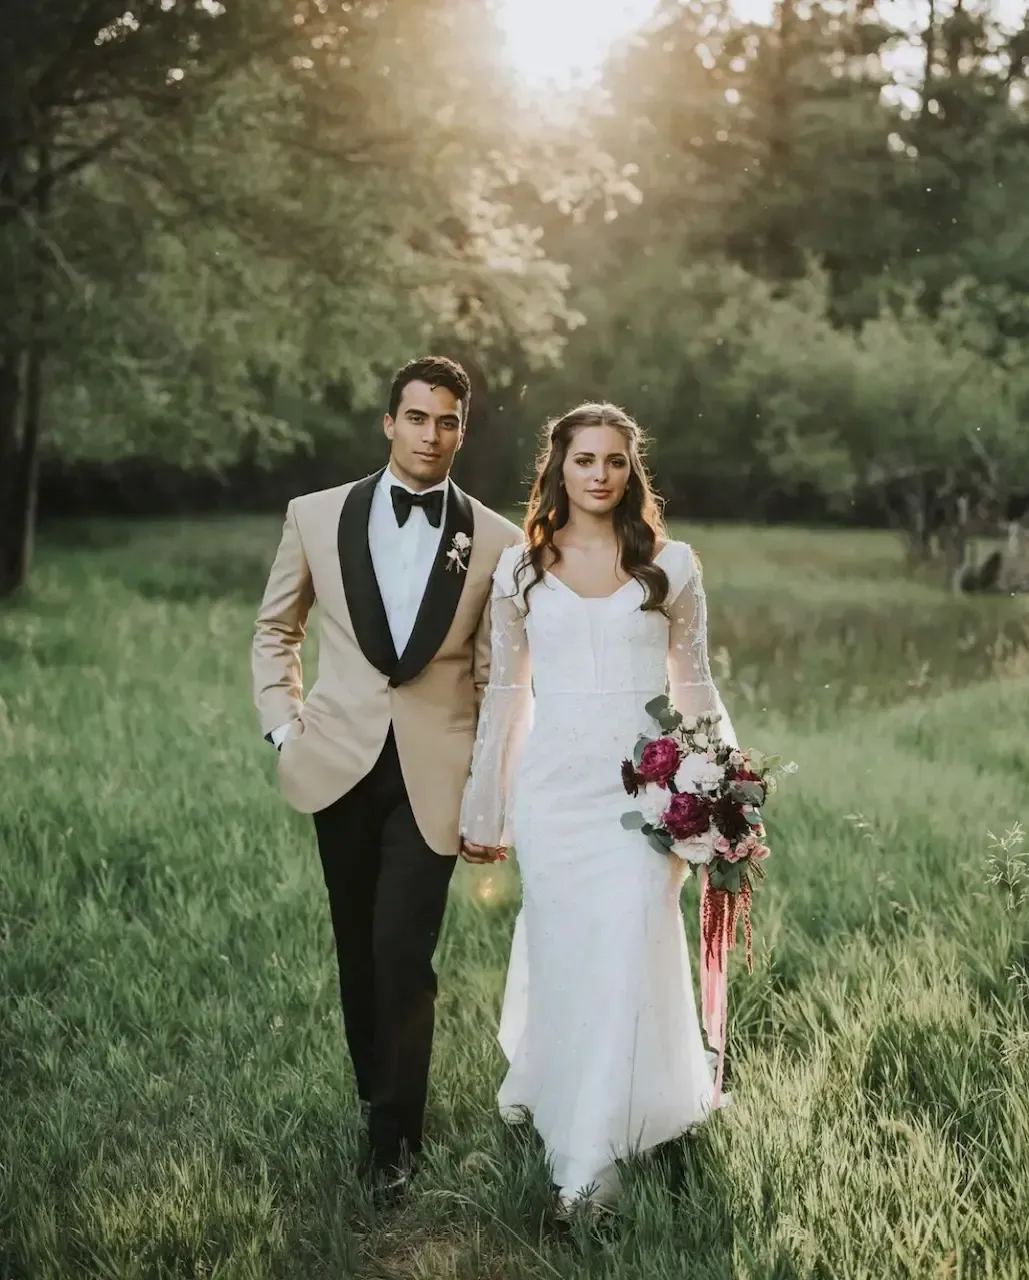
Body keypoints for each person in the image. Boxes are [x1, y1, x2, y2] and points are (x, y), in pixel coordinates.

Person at [459, 402, 736, 1213]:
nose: (600, 474)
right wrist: (488, 809)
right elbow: (506, 695)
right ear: (558, 468)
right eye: (585, 460)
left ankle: (591, 1165)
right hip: (553, 795)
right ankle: (564, 1095)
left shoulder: (673, 565)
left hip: (647, 790)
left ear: (630, 470)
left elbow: (697, 684)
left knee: (627, 945)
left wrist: (719, 796)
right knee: (568, 952)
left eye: (614, 461)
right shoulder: (520, 570)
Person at [252, 356, 518, 1195]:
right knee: (357, 951)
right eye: (416, 418)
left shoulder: (497, 541)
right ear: (389, 422)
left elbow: (490, 675)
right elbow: (275, 631)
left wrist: (488, 781)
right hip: (335, 760)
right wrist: (282, 730)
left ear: (461, 431)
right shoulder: (316, 515)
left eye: (446, 422)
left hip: (435, 773)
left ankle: (392, 1145)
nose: (430, 435)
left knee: (404, 952)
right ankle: (377, 1093)